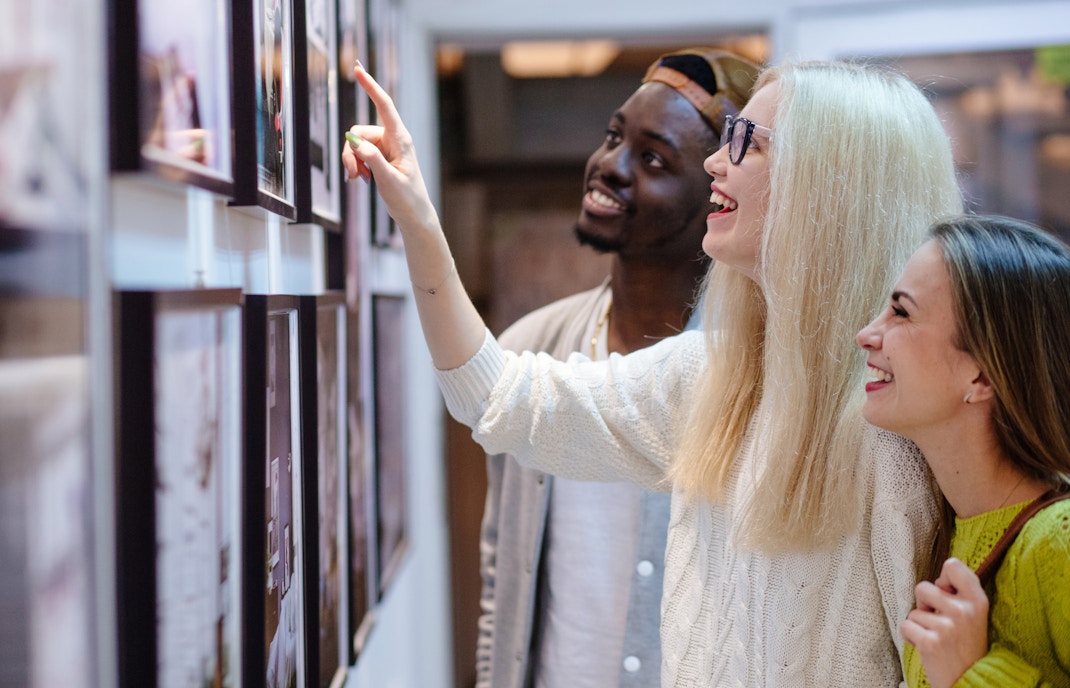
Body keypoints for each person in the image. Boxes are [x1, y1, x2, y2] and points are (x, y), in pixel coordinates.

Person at [342, 58, 964, 686]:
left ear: (828, 187)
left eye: (747, 144)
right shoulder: (711, 377)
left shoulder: (903, 437)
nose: (716, 163)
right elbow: (496, 399)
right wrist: (416, 216)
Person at [477, 49, 759, 688]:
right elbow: (504, 569)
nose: (609, 165)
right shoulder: (531, 350)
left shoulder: (752, 375)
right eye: (612, 137)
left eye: (653, 158)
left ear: (718, 195)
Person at [856, 215, 1070, 688]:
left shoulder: (1060, 539)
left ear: (982, 376)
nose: (867, 334)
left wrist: (973, 675)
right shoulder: (951, 528)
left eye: (901, 313)